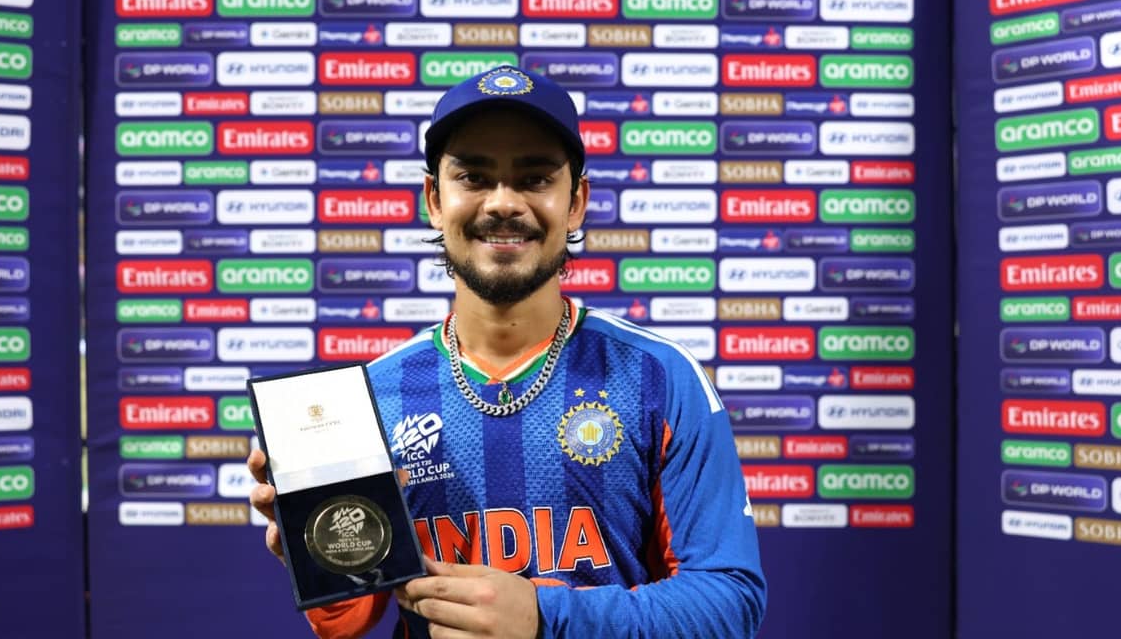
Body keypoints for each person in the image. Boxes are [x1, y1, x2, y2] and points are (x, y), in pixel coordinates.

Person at [248, 65, 766, 638]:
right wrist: (320, 549)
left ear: (576, 202)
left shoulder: (659, 376)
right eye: (473, 176)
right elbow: (347, 622)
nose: (502, 203)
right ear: (434, 199)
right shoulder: (372, 397)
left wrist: (544, 617)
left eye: (535, 178)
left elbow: (729, 604)